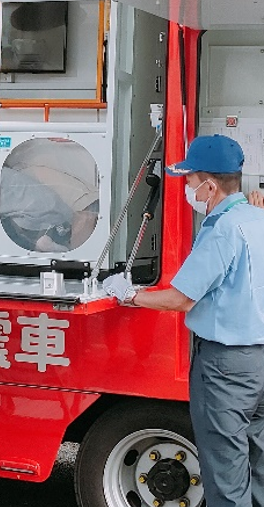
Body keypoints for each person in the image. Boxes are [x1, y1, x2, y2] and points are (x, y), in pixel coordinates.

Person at [104, 135, 264, 507]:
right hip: (259, 362)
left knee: (225, 471)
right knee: (258, 462)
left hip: (226, 368)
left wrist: (129, 294)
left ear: (209, 186)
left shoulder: (222, 229)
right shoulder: (257, 219)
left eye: (189, 179)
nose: (187, 187)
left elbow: (181, 298)